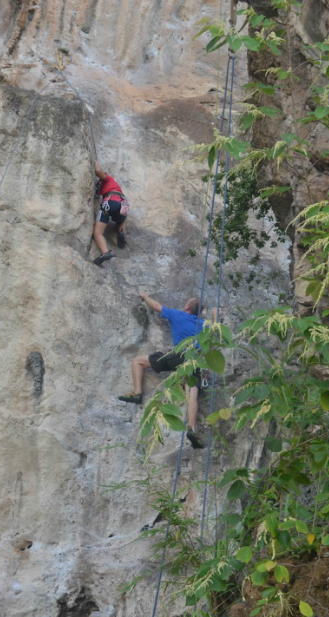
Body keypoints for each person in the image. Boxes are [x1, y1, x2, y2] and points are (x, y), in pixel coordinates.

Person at [118, 293, 216, 449]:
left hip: (179, 356)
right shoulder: (204, 324)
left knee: (137, 361)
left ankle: (137, 393)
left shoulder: (178, 315)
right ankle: (192, 429)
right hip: (196, 362)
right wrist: (215, 316)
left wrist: (144, 296)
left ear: (187, 307)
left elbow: (156, 307)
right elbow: (213, 334)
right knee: (193, 394)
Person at [92, 161, 128, 266]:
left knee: (98, 233)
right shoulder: (116, 187)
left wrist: (95, 162)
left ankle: (105, 252)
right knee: (121, 220)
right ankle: (121, 232)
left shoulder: (107, 180)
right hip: (123, 205)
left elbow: (98, 171)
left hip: (110, 202)